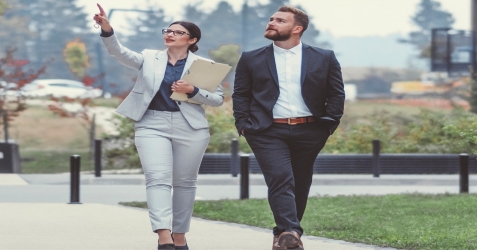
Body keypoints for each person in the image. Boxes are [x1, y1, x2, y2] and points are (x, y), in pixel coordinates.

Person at [92, 4, 225, 250]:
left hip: (190, 127)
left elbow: (217, 99)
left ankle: (180, 235)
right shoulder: (149, 57)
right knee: (157, 180)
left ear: (192, 39)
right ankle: (164, 236)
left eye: (177, 32)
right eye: (168, 30)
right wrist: (107, 29)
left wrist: (193, 91)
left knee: (185, 183)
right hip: (151, 123)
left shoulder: (204, 65)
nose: (170, 34)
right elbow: (119, 53)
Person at [231, 5, 344, 250]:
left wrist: (329, 124)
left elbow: (336, 94)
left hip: (310, 129)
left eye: (279, 20)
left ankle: (283, 234)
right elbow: (240, 94)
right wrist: (243, 125)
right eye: (271, 19)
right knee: (280, 178)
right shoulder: (251, 58)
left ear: (297, 28)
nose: (271, 22)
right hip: (266, 131)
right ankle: (291, 231)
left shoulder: (324, 57)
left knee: (300, 182)